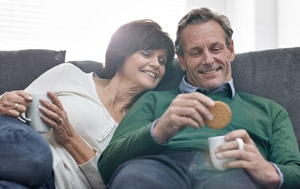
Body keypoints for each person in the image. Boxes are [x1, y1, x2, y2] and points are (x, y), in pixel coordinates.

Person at [97, 8, 300, 189]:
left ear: (230, 50)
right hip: (156, 168)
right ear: (182, 61)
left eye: (216, 48)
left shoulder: (270, 111)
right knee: (135, 179)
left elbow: (296, 171)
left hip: (231, 172)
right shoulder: (153, 101)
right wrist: (159, 129)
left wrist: (269, 171)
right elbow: (106, 166)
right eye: (196, 52)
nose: (208, 60)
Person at [0, 19, 174, 189]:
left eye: (162, 61)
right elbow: (22, 116)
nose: (155, 64)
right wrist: (3, 102)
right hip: (25, 147)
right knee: (35, 153)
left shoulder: (140, 127)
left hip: (48, 181)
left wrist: (70, 138)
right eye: (146, 54)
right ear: (123, 53)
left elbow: (109, 183)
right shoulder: (70, 75)